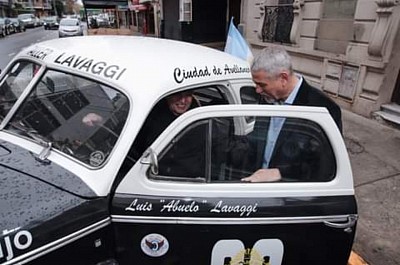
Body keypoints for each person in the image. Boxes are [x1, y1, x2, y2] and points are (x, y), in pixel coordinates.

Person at [241, 46, 342, 183]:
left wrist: (281, 173)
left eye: (262, 85)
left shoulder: (323, 109)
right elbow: (257, 144)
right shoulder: (268, 97)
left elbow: (325, 166)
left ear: (283, 78)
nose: (258, 90)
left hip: (292, 196)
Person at [131, 90, 199, 160]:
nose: (183, 101)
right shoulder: (149, 117)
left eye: (188, 95)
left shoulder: (197, 120)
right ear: (168, 96)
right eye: (178, 94)